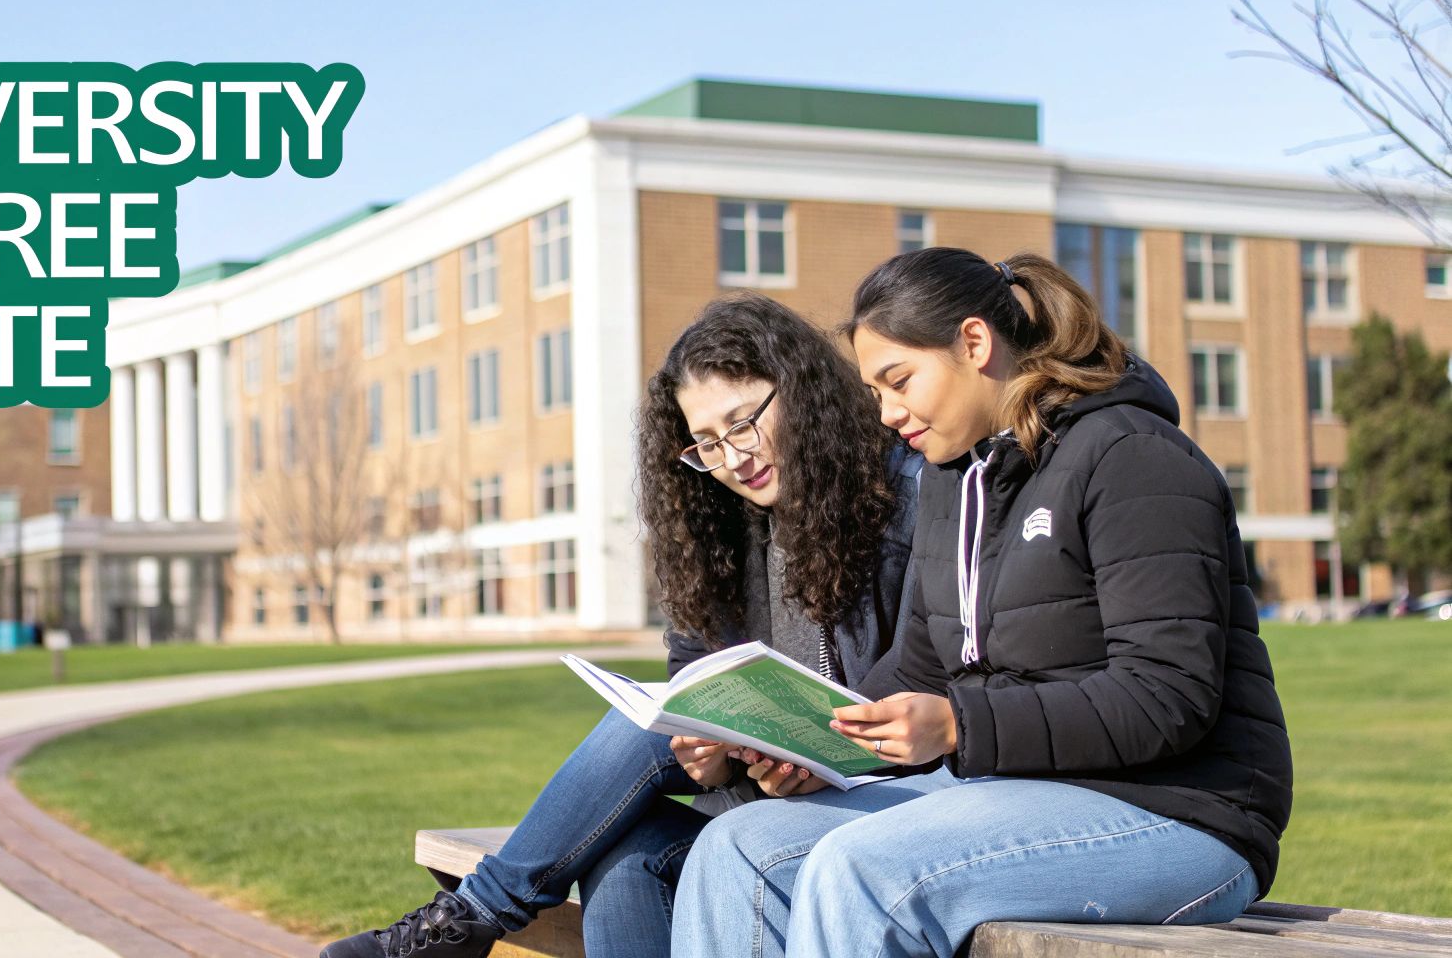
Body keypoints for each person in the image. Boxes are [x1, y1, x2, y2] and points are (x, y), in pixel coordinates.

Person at [672, 249, 1293, 958]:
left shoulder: (1135, 458)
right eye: (875, 390)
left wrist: (960, 727)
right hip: (1006, 797)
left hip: (1181, 815)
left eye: (898, 380)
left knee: (863, 873)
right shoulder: (952, 480)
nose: (886, 412)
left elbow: (1166, 696)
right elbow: (923, 666)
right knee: (735, 847)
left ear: (974, 343)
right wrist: (818, 746)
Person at [321, 293, 922, 958]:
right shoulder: (724, 531)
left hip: (880, 811)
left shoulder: (900, 502)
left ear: (800, 388)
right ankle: (466, 922)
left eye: (742, 422)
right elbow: (694, 685)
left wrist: (820, 752)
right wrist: (712, 757)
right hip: (762, 809)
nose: (734, 458)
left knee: (633, 733)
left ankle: (470, 919)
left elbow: (927, 678)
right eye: (709, 444)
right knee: (629, 838)